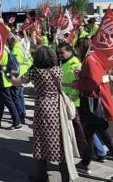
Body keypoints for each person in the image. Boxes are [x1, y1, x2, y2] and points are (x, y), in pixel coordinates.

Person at [13, 46, 80, 182]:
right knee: (61, 141)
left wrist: (12, 75)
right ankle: (65, 178)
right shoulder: (58, 70)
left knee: (41, 140)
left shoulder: (36, 72)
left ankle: (42, 176)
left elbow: (17, 82)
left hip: (43, 108)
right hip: (57, 107)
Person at [75, 51, 113, 182]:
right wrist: (81, 75)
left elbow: (94, 82)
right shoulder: (96, 58)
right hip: (94, 105)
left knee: (106, 140)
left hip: (93, 105)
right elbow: (96, 78)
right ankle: (85, 163)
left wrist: (78, 83)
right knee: (89, 135)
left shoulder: (91, 59)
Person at [0, 43, 22, 130]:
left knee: (8, 102)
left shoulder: (1, 51)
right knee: (0, 102)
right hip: (3, 79)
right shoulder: (5, 49)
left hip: (2, 80)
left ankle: (17, 122)